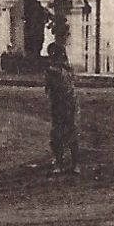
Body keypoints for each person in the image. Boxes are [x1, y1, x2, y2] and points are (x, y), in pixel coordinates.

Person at [44, 41, 81, 175]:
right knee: (60, 134)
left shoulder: (62, 70)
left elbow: (50, 88)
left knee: (68, 133)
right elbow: (49, 89)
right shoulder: (63, 70)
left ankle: (71, 163)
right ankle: (65, 163)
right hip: (60, 104)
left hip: (67, 103)